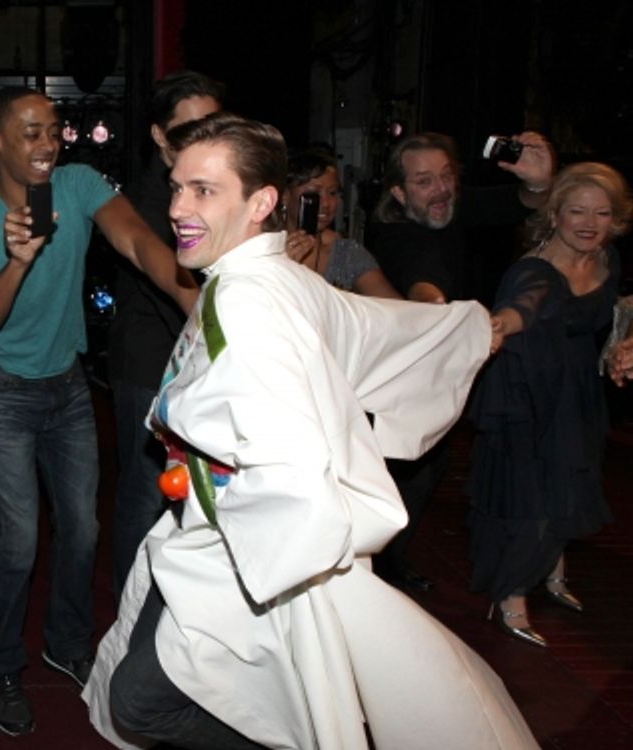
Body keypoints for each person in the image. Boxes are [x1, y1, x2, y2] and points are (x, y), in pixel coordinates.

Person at [83, 112, 538, 750]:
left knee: (141, 702)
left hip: (251, 549)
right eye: (178, 187)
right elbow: (371, 327)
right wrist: (459, 330)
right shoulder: (275, 278)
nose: (180, 207)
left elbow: (293, 463)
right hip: (216, 534)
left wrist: (274, 547)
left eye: (205, 191)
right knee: (150, 684)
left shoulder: (251, 304)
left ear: (262, 201)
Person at [0, 85, 197, 737]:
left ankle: (67, 643)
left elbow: (141, 245)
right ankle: (1, 665)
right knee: (20, 538)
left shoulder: (79, 185)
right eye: (29, 132)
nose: (47, 143)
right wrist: (20, 261)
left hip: (67, 386)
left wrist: (198, 301)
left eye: (53, 129)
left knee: (82, 529)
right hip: (2, 388)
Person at [369, 130, 554, 592]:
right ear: (399, 191)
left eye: (447, 177)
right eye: (425, 181)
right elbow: (421, 272)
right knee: (403, 467)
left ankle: (386, 558)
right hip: (393, 371)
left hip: (443, 363)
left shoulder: (452, 207)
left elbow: (521, 203)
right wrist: (435, 306)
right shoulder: (392, 229)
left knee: (428, 464)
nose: (440, 190)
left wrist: (539, 182)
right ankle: (377, 563)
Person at [469, 162, 630, 647]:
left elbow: (619, 304)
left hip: (577, 388)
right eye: (577, 210)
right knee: (531, 497)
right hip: (530, 391)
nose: (589, 222)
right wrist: (499, 325)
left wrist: (625, 345)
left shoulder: (607, 259)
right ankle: (511, 593)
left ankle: (552, 571)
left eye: (602, 213)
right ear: (554, 213)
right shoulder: (535, 270)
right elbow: (523, 307)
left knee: (572, 480)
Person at [107, 70, 222, 597]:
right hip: (150, 363)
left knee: (204, 488)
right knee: (144, 491)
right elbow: (180, 278)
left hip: (205, 359)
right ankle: (131, 604)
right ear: (159, 136)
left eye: (214, 125)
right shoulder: (145, 199)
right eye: (189, 128)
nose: (203, 136)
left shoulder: (219, 186)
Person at [282, 145, 399, 298]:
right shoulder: (260, 247)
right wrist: (280, 269)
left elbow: (394, 308)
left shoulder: (346, 253)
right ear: (285, 196)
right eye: (313, 194)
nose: (326, 203)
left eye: (332, 193)